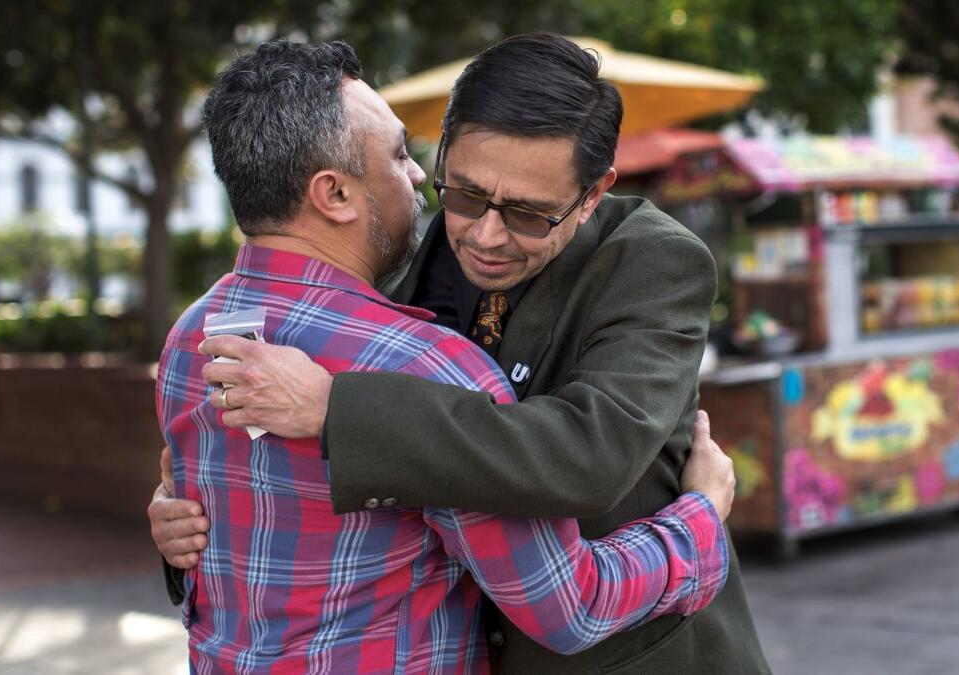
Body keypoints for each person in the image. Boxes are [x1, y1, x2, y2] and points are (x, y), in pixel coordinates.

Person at [152, 33, 772, 673]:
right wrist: (188, 532)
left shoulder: (653, 260)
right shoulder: (393, 268)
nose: (485, 234)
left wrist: (340, 409)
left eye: (531, 215)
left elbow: (593, 453)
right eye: (466, 193)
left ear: (592, 195)